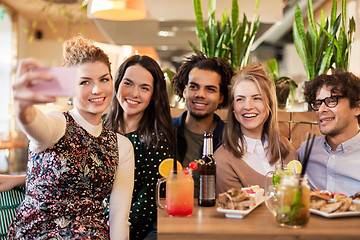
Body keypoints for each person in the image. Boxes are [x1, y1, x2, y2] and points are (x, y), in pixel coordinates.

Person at [7, 36, 134, 239]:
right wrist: (23, 108)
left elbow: (119, 219)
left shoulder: (121, 145)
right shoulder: (58, 124)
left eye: (104, 79)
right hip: (40, 234)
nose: (97, 90)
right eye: (84, 82)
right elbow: (35, 123)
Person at [104, 55, 173, 240]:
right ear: (117, 84)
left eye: (144, 88)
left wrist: (111, 231)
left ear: (153, 95)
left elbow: (149, 201)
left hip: (133, 231)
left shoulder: (157, 138)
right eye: (128, 83)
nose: (134, 94)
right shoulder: (99, 128)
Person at [214, 63, 296, 194]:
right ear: (233, 108)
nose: (248, 106)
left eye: (257, 98)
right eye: (240, 99)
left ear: (269, 104)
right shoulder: (223, 159)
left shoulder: (287, 149)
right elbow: (235, 208)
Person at [171, 53, 233, 197]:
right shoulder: (165, 131)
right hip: (171, 215)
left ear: (221, 97)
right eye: (194, 87)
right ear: (185, 90)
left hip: (215, 217)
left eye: (210, 89)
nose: (200, 94)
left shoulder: (231, 139)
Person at [298, 69, 360, 197]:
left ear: (356, 107)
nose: (321, 109)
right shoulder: (306, 150)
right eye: (317, 103)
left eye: (332, 100)